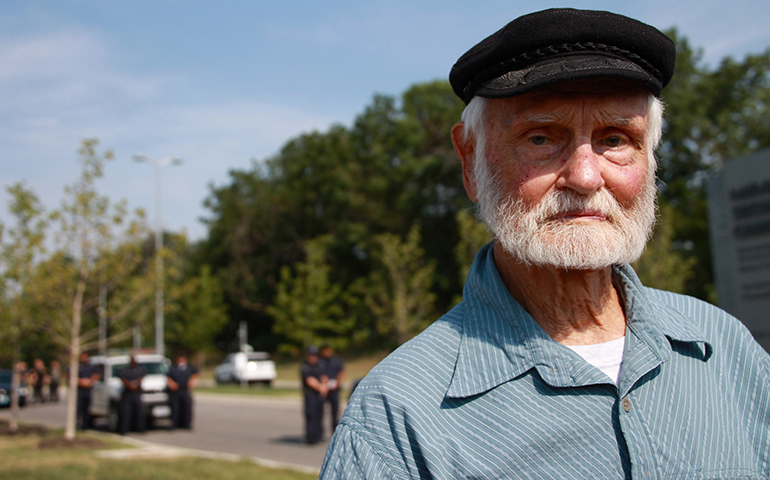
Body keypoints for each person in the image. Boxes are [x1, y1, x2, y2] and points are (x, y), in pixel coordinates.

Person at [320, 8, 770, 478]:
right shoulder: (398, 417)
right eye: (541, 137)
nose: (585, 176)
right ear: (470, 159)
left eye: (614, 138)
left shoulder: (725, 348)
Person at [300, 345, 327, 444]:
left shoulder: (320, 365)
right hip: (310, 395)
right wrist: (321, 387)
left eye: (314, 355)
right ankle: (310, 437)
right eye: (311, 355)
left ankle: (318, 435)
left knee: (319, 415)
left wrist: (324, 385)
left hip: (319, 395)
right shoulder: (305, 366)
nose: (313, 357)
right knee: (311, 415)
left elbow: (324, 376)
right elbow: (309, 380)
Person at [166, 351, 199, 429]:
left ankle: (186, 424)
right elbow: (168, 377)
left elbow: (196, 373)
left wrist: (192, 381)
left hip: (185, 389)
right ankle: (175, 424)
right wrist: (171, 383)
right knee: (175, 408)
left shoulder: (189, 367)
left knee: (187, 408)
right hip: (176, 390)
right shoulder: (173, 367)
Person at [319, 344, 345, 433]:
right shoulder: (320, 361)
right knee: (320, 411)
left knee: (335, 411)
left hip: (334, 389)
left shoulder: (336, 360)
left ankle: (335, 431)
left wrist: (337, 382)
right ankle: (320, 431)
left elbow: (341, 371)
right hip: (323, 388)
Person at [118, 355, 146, 435]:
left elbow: (141, 378)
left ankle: (140, 429)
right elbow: (123, 379)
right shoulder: (125, 370)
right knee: (126, 413)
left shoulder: (139, 370)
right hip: (128, 394)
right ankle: (124, 430)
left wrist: (136, 384)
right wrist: (129, 385)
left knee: (139, 412)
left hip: (136, 393)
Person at [76, 352, 99, 430]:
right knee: (79, 408)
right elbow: (73, 376)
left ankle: (85, 425)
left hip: (88, 390)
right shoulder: (78, 366)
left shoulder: (91, 367)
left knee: (87, 408)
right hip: (80, 390)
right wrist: (81, 382)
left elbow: (96, 375)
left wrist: (90, 381)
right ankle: (77, 424)